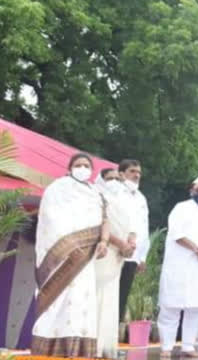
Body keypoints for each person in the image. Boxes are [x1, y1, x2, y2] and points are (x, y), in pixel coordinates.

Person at [31, 153, 109, 357]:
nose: (82, 168)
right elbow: (50, 217)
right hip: (63, 256)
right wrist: (70, 245)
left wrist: (103, 241)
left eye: (86, 165)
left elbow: (104, 220)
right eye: (78, 165)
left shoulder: (95, 193)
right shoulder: (58, 188)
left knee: (82, 302)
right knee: (59, 301)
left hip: (86, 259)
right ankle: (48, 350)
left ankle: (77, 350)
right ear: (69, 167)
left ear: (91, 171)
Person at [158, 175, 198, 358]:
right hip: (180, 264)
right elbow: (176, 234)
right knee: (171, 307)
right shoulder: (181, 208)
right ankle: (166, 347)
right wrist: (196, 249)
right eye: (197, 189)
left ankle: (188, 346)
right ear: (191, 190)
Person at [94, 168, 136, 358]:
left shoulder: (124, 201)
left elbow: (131, 226)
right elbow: (98, 226)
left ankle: (106, 346)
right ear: (101, 180)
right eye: (109, 178)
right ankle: (93, 345)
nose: (114, 182)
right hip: (101, 254)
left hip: (118, 257)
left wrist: (130, 244)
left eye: (117, 179)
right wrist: (121, 244)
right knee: (97, 299)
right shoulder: (95, 197)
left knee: (111, 300)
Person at [118, 159, 150, 324]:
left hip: (132, 256)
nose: (136, 175)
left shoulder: (141, 199)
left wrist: (142, 257)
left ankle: (112, 344)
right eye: (132, 171)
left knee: (121, 298)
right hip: (115, 252)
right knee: (108, 297)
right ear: (121, 174)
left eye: (139, 173)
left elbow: (144, 229)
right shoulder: (114, 193)